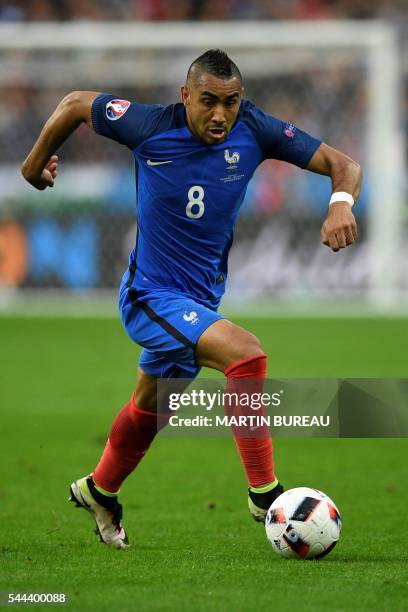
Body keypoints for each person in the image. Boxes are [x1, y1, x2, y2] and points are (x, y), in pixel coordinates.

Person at [22, 49, 362, 549]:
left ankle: (99, 490)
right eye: (208, 102)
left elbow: (344, 164)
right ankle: (265, 494)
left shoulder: (256, 128)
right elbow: (75, 103)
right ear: (186, 96)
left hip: (199, 302)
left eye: (230, 102)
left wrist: (339, 204)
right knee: (247, 355)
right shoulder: (148, 125)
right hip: (149, 296)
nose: (221, 114)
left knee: (152, 407)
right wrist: (33, 167)